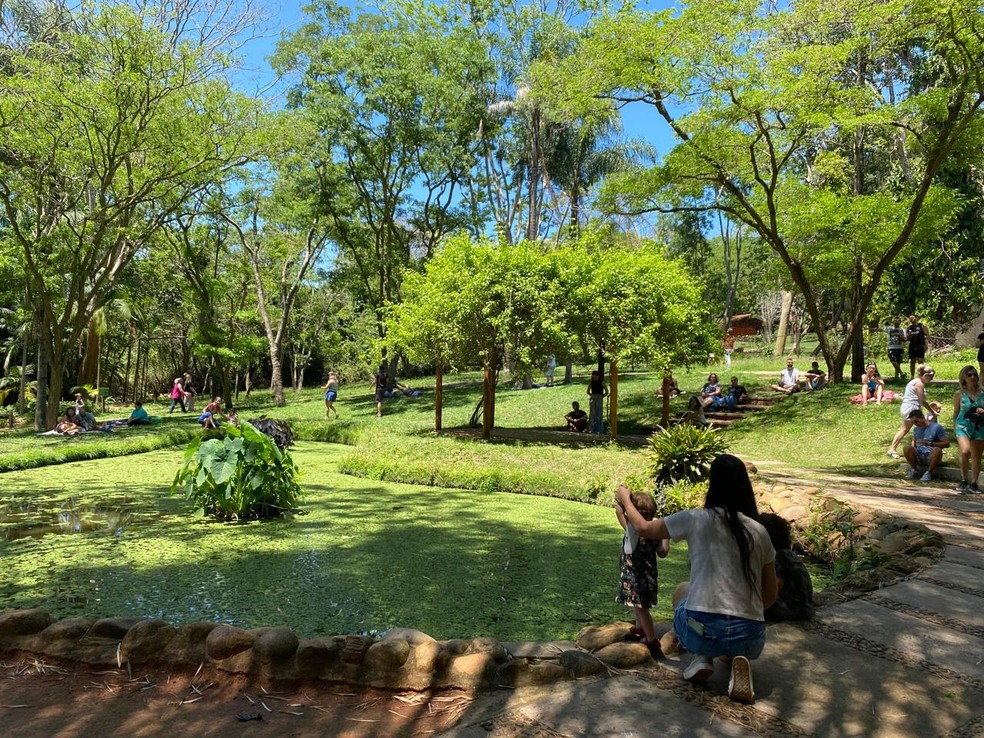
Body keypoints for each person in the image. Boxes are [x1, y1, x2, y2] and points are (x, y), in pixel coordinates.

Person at [617, 455, 777, 704]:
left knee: (683, 590)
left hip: (702, 631)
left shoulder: (696, 518)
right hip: (751, 637)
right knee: (731, 634)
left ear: (712, 485)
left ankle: (702, 656)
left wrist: (625, 498)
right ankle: (737, 656)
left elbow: (643, 528)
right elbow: (769, 596)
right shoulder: (760, 531)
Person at [615, 490, 669, 659]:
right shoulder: (655, 531)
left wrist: (622, 499)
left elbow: (619, 513)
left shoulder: (633, 529)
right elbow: (663, 552)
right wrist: (666, 535)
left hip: (635, 578)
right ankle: (639, 629)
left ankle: (652, 641)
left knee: (641, 607)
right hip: (649, 577)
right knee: (638, 604)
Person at [758, 514, 813, 622]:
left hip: (793, 609)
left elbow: (774, 587)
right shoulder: (785, 553)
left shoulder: (778, 557)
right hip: (802, 606)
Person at [887, 365, 936, 458]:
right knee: (906, 429)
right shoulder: (919, 384)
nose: (932, 379)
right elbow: (923, 401)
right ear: (925, 375)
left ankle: (927, 448)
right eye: (931, 377)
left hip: (911, 407)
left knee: (923, 427)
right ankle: (892, 449)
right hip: (911, 408)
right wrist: (933, 412)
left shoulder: (915, 382)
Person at [953, 365, 984, 494]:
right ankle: (963, 479)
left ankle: (974, 483)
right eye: (969, 375)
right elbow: (956, 412)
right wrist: (954, 427)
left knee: (976, 456)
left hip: (979, 426)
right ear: (964, 377)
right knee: (965, 451)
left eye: (974, 374)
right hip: (963, 425)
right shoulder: (959, 394)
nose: (972, 377)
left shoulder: (983, 393)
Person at [902, 408, 949, 482]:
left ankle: (929, 473)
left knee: (937, 450)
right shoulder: (916, 429)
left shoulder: (937, 427)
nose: (915, 423)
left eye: (916, 421)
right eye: (913, 422)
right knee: (907, 448)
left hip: (931, 454)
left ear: (922, 417)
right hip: (919, 454)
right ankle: (915, 469)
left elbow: (946, 444)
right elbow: (914, 443)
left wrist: (929, 443)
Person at [906, 314, 930, 381]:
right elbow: (907, 339)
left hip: (920, 345)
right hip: (912, 346)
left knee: (920, 361)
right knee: (912, 361)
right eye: (910, 317)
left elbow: (927, 335)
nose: (911, 318)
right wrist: (909, 336)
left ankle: (921, 376)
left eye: (913, 317)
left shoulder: (921, 326)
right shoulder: (909, 328)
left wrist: (926, 344)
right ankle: (912, 377)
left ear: (916, 318)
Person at [587, 370, 608, 434]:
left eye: (595, 377)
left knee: (599, 413)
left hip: (599, 397)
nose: (594, 379)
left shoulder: (602, 382)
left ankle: (600, 430)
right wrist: (592, 396)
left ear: (598, 376)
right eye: (593, 377)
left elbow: (607, 392)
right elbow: (588, 391)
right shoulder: (591, 382)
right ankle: (591, 429)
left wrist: (601, 397)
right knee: (592, 414)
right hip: (593, 397)